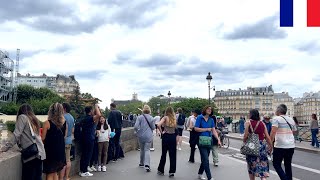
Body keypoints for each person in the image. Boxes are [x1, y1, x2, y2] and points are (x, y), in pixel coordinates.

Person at [1, 104, 46, 180]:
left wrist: (5, 148)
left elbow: (16, 135)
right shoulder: (34, 119)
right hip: (39, 153)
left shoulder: (22, 117)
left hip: (31, 155)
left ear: (21, 111)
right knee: (37, 178)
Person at [244, 109, 272, 180]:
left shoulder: (248, 123)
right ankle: (263, 178)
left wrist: (245, 141)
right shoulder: (262, 123)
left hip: (252, 146)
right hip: (261, 146)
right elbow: (267, 137)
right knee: (262, 164)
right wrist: (270, 146)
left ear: (251, 114)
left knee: (251, 165)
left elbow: (245, 136)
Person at [270, 104, 297, 180]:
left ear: (278, 110)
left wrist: (269, 144)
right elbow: (295, 132)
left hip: (280, 145)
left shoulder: (276, 119)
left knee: (276, 164)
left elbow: (273, 132)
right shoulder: (291, 119)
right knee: (288, 165)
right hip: (291, 145)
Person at [194, 105, 221, 180]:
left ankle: (200, 173)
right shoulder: (200, 117)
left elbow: (214, 130)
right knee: (206, 159)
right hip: (201, 141)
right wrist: (206, 129)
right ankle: (209, 177)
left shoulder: (211, 120)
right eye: (208, 109)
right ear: (205, 109)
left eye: (210, 109)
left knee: (204, 159)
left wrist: (218, 140)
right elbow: (196, 128)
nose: (209, 110)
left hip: (209, 141)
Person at [42, 103, 67, 180]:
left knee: (49, 173)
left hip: (50, 151)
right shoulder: (64, 122)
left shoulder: (47, 123)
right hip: (60, 151)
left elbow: (43, 138)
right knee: (55, 172)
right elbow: (64, 136)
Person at [79, 104, 101, 177]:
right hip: (89, 139)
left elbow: (96, 122)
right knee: (87, 155)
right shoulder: (89, 118)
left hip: (84, 138)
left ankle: (82, 170)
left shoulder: (85, 118)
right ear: (91, 111)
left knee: (84, 154)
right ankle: (84, 171)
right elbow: (98, 115)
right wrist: (96, 107)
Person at [134, 105, 156, 172]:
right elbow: (153, 128)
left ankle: (141, 163)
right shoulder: (151, 118)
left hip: (141, 135)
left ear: (143, 110)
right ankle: (147, 165)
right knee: (147, 150)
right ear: (149, 110)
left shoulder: (139, 117)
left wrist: (137, 131)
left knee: (142, 149)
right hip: (149, 135)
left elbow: (135, 126)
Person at [157, 106, 177, 177]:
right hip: (173, 137)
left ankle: (161, 170)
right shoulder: (174, 119)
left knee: (164, 153)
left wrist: (162, 132)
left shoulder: (165, 117)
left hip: (166, 136)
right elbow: (175, 129)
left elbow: (158, 125)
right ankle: (172, 171)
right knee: (173, 155)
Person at [59, 103, 75, 180]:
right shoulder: (72, 117)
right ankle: (67, 176)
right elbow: (72, 130)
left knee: (62, 161)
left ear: (64, 109)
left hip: (63, 141)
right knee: (68, 160)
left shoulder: (62, 117)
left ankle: (61, 178)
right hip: (69, 140)